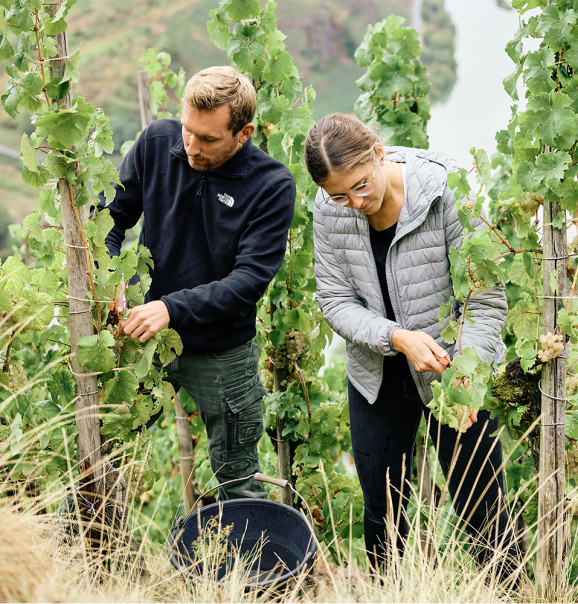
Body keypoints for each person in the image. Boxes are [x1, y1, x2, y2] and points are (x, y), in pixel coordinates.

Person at [304, 113, 519, 577]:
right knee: (383, 513)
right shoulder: (328, 209)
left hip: (454, 372)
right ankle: (390, 590)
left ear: (380, 154)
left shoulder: (446, 192)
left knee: (481, 509)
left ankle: (511, 591)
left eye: (361, 186)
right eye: (339, 195)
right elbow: (336, 301)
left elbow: (485, 301)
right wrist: (396, 337)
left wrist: (467, 375)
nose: (354, 203)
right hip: (376, 375)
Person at [96, 66, 296, 500]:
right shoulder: (155, 141)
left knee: (238, 483)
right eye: (188, 131)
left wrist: (170, 307)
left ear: (243, 133)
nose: (191, 146)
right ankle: (87, 560)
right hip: (143, 335)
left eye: (208, 139)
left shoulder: (272, 185)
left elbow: (248, 281)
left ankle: (244, 567)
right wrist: (114, 278)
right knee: (101, 454)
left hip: (223, 351)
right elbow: (107, 221)